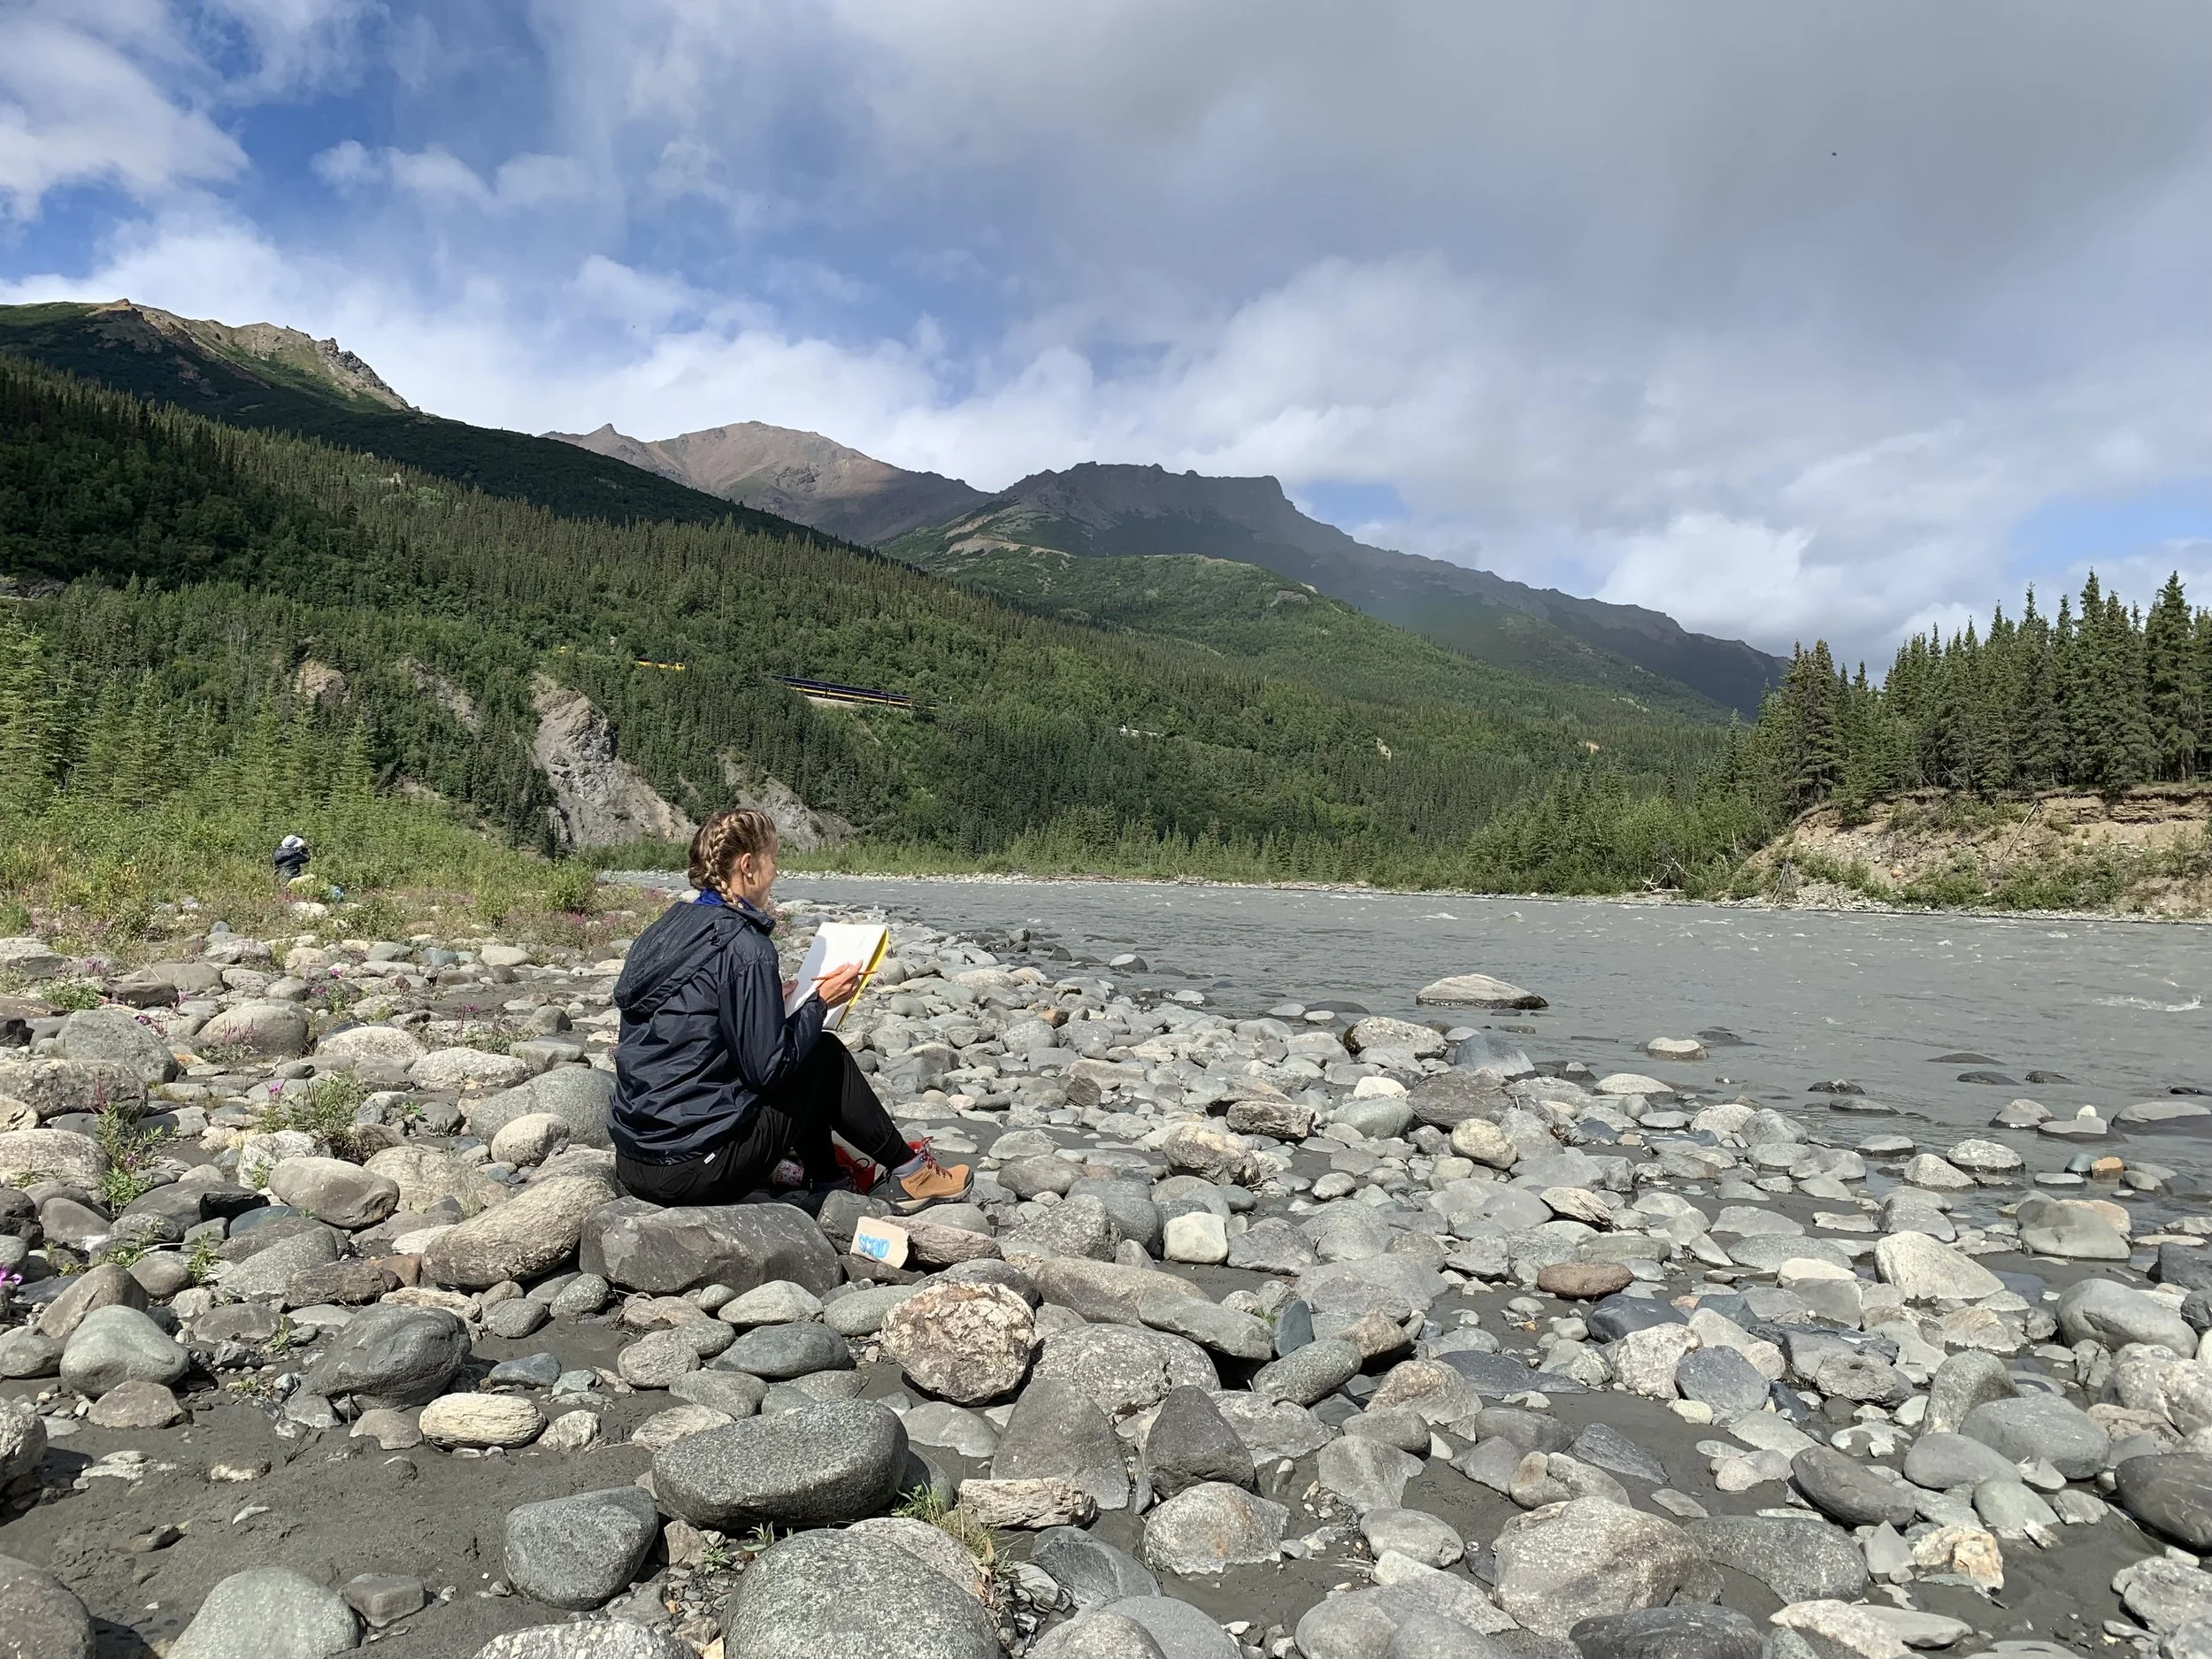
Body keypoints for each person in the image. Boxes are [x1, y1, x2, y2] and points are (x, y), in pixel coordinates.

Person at [609, 805, 970, 1212]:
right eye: (774, 859)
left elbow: (690, 1020)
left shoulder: (668, 929)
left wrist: (764, 1004)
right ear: (748, 866)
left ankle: (828, 1179)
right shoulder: (745, 946)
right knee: (821, 1055)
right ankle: (911, 1171)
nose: (777, 871)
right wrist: (819, 1003)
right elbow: (768, 1070)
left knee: (803, 1048)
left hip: (636, 1159)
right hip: (693, 1171)